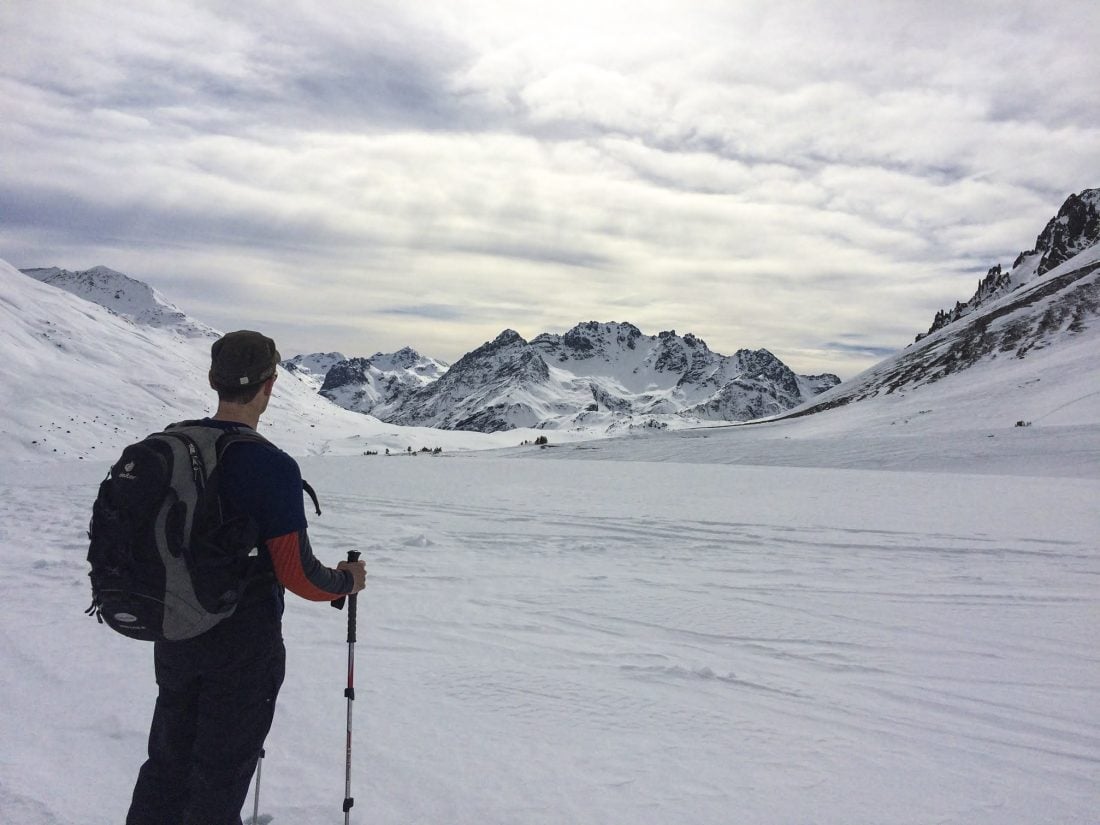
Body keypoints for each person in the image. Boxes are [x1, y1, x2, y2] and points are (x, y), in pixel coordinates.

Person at [126, 330, 367, 825]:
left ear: (214, 381)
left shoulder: (173, 444)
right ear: (270, 385)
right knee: (219, 776)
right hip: (242, 646)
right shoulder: (268, 464)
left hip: (174, 631)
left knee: (167, 764)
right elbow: (298, 575)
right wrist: (345, 582)